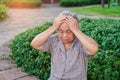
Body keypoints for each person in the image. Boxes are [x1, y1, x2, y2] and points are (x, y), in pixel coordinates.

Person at [31, 11, 98, 80]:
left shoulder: (81, 43)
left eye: (69, 31)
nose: (64, 36)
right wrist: (53, 27)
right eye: (61, 31)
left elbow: (94, 49)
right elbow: (35, 43)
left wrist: (76, 30)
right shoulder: (54, 40)